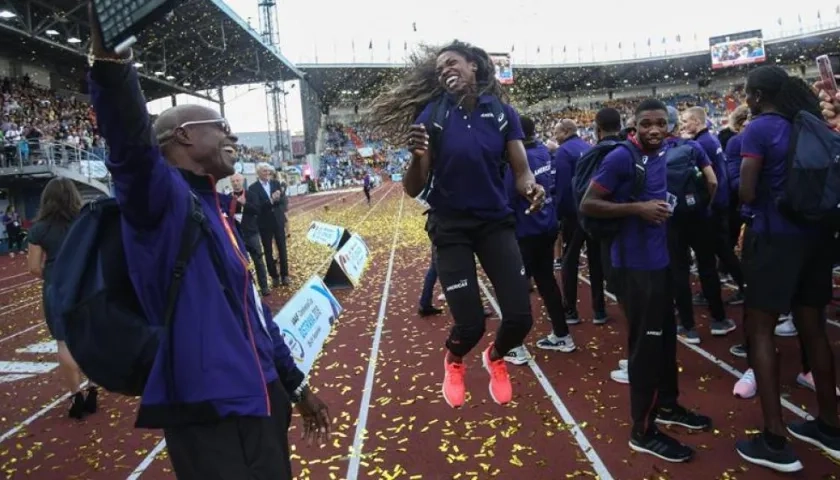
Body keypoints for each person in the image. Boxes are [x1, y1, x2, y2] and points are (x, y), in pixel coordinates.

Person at [86, 8, 329, 478]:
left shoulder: (218, 211)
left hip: (262, 400)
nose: (232, 134)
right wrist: (113, 64)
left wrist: (295, 387)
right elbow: (130, 144)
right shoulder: (162, 201)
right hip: (210, 409)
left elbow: (254, 313)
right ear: (183, 136)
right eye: (220, 125)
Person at [368, 40, 545, 408]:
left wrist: (532, 187)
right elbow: (413, 187)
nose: (445, 70)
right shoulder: (431, 115)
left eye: (452, 62)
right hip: (451, 227)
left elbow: (522, 171)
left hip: (494, 223)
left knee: (520, 318)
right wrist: (417, 157)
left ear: (473, 65)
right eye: (439, 69)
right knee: (470, 325)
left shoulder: (502, 113)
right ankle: (454, 360)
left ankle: (496, 357)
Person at [580, 99, 711, 463]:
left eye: (660, 123)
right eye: (646, 123)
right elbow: (588, 203)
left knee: (665, 338)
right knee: (646, 347)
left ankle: (667, 406)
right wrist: (638, 209)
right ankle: (642, 429)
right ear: (633, 126)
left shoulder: (665, 150)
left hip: (660, 262)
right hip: (634, 266)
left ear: (669, 126)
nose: (654, 129)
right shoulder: (621, 158)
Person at [734, 65, 839, 472]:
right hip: (816, 237)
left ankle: (775, 438)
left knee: (760, 329)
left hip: (774, 238)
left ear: (759, 96)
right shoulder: (810, 122)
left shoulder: (759, 128)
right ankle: (829, 425)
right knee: (814, 330)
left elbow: (747, 190)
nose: (746, 100)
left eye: (748, 93)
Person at [503, 116, 575, 366]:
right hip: (547, 226)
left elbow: (508, 197)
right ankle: (562, 335)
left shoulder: (518, 161)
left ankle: (515, 345)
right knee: (546, 282)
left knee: (516, 287)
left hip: (526, 230)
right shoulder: (544, 151)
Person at [27, 177, 97, 419]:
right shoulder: (85, 221)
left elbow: (33, 267)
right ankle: (93, 388)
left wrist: (53, 277)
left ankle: (76, 396)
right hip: (84, 286)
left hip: (56, 288)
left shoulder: (39, 229)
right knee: (89, 338)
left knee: (63, 341)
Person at [249, 163, 290, 287]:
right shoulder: (253, 188)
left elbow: (282, 201)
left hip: (278, 220)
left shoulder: (275, 183)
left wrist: (278, 200)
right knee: (268, 251)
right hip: (264, 223)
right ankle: (274, 277)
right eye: (264, 171)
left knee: (282, 248)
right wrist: (271, 200)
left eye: (268, 171)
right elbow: (257, 207)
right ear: (258, 173)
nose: (267, 173)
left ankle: (285, 275)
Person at [228, 173, 270, 296]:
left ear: (242, 181)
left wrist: (245, 203)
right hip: (237, 235)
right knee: (242, 262)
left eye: (238, 180)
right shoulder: (228, 197)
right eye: (233, 181)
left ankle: (264, 287)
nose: (236, 183)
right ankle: (250, 289)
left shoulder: (251, 195)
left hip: (251, 232)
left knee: (258, 260)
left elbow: (257, 210)